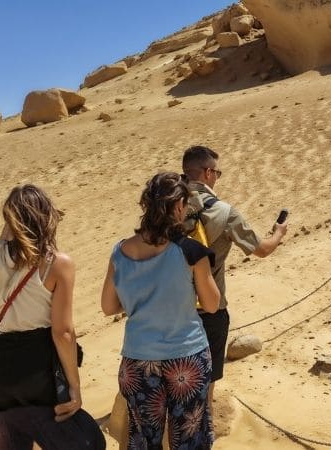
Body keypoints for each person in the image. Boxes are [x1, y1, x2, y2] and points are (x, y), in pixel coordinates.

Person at [0, 184, 104, 450]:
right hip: (38, 373)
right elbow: (63, 332)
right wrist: (75, 389)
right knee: (89, 443)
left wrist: (11, 220)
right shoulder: (57, 264)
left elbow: (6, 247)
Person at [101, 171, 220, 449]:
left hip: (138, 361)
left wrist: (138, 301)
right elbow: (212, 304)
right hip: (186, 358)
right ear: (178, 205)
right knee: (189, 437)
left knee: (143, 439)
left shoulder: (120, 252)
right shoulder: (191, 251)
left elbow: (108, 307)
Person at [181, 145, 288, 407]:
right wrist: (278, 233)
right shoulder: (224, 212)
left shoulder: (165, 206)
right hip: (209, 309)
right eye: (217, 172)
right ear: (207, 173)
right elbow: (261, 250)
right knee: (204, 383)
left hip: (167, 308)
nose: (217, 177)